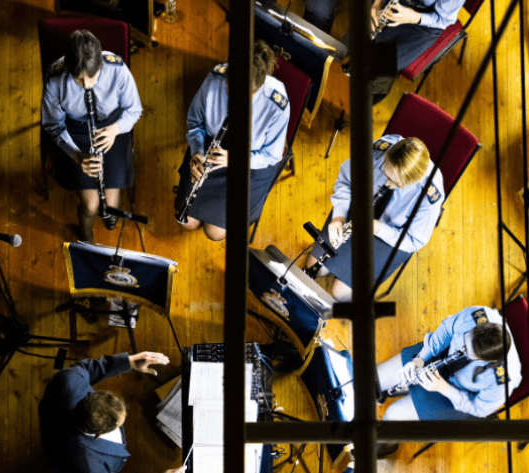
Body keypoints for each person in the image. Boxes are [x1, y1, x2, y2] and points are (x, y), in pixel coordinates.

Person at [39, 351, 186, 473]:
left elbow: (85, 368)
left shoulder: (68, 381)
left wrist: (128, 362)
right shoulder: (88, 470)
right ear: (98, 436)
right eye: (118, 425)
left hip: (55, 433)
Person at [174, 40, 290, 242]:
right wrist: (197, 153)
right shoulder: (216, 77)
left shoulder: (277, 104)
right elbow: (195, 122)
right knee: (188, 223)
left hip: (251, 163)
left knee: (215, 233)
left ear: (259, 85)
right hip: (211, 149)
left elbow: (271, 155)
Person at [306, 134, 444, 300]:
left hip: (391, 237)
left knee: (339, 292)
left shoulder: (430, 195)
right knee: (314, 265)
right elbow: (345, 181)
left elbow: (415, 240)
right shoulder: (377, 150)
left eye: (396, 184)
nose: (387, 185)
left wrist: (379, 228)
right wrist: (338, 216)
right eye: (386, 174)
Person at [376, 305, 522, 457]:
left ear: (488, 360)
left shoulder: (502, 382)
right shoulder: (477, 316)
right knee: (378, 376)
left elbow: (477, 408)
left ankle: (383, 447)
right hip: (442, 355)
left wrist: (443, 387)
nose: (463, 350)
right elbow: (446, 330)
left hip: (458, 395)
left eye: (469, 353)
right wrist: (419, 360)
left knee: (392, 417)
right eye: (465, 342)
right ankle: (385, 393)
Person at [41, 29, 143, 242]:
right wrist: (77, 155)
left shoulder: (116, 68)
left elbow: (133, 110)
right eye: (79, 80)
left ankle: (109, 213)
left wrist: (115, 129)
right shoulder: (56, 76)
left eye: (93, 78)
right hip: (75, 133)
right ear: (69, 69)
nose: (87, 86)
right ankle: (86, 235)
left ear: (101, 66)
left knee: (112, 204)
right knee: (90, 205)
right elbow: (54, 125)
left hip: (113, 128)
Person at [371, 0, 466, 72]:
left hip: (424, 20)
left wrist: (412, 17)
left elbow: (443, 20)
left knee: (381, 67)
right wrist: (376, 5)